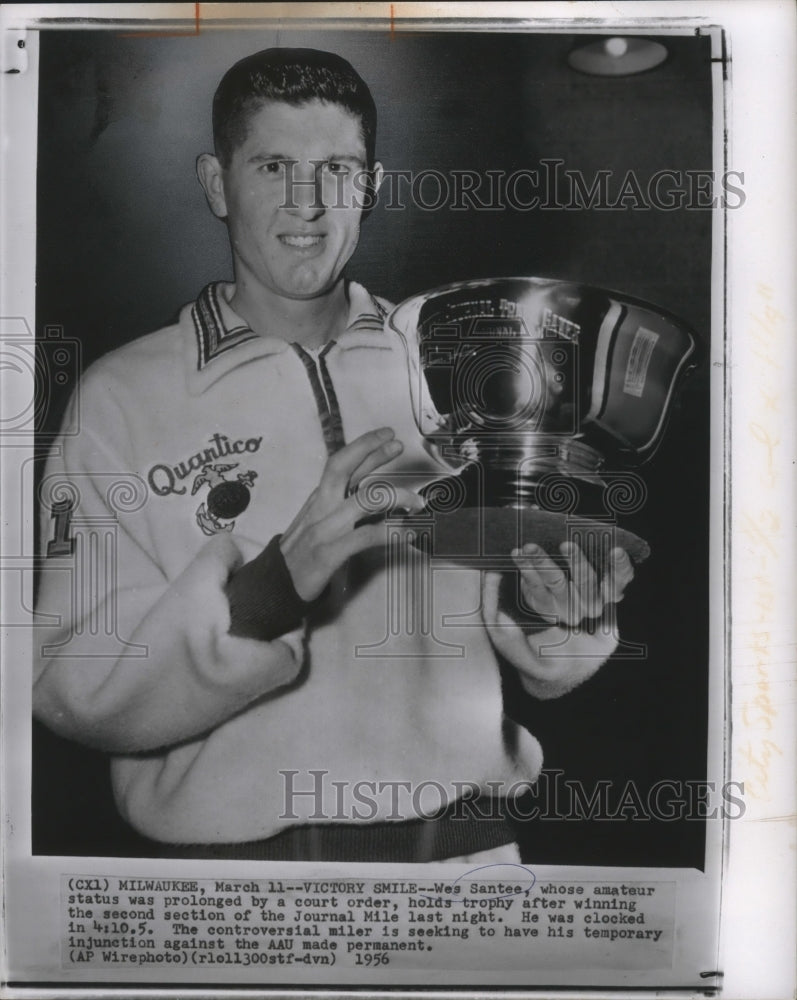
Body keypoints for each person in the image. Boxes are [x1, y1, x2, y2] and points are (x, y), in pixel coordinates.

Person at [33, 47, 634, 862]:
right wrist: (275, 588)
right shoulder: (121, 397)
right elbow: (74, 689)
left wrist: (560, 609)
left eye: (337, 168)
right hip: (242, 890)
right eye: (274, 165)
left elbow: (520, 633)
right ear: (216, 184)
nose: (307, 204)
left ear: (372, 186)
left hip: (469, 862)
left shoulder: (458, 363)